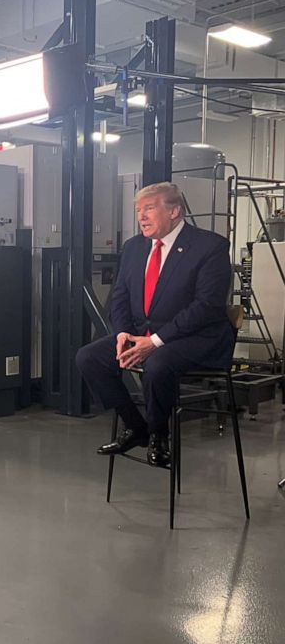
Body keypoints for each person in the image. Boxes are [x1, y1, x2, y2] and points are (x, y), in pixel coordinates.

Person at [76, 181, 234, 468]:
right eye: (139, 210)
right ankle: (137, 427)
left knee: (157, 365)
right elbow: (121, 295)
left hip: (195, 337)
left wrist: (156, 341)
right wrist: (123, 333)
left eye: (149, 208)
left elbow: (206, 307)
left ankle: (160, 436)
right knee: (89, 357)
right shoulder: (134, 247)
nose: (141, 217)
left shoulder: (210, 246)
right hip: (142, 333)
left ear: (174, 211)